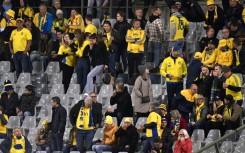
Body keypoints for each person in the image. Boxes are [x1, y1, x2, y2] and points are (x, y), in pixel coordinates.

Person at [160, 46, 187, 111]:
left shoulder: (181, 60)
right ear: (172, 51)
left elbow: (185, 70)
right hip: (170, 82)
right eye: (176, 51)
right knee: (170, 98)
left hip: (179, 82)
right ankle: (170, 111)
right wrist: (167, 75)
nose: (178, 53)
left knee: (179, 98)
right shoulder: (166, 60)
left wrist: (183, 75)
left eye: (178, 51)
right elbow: (161, 70)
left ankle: (179, 111)